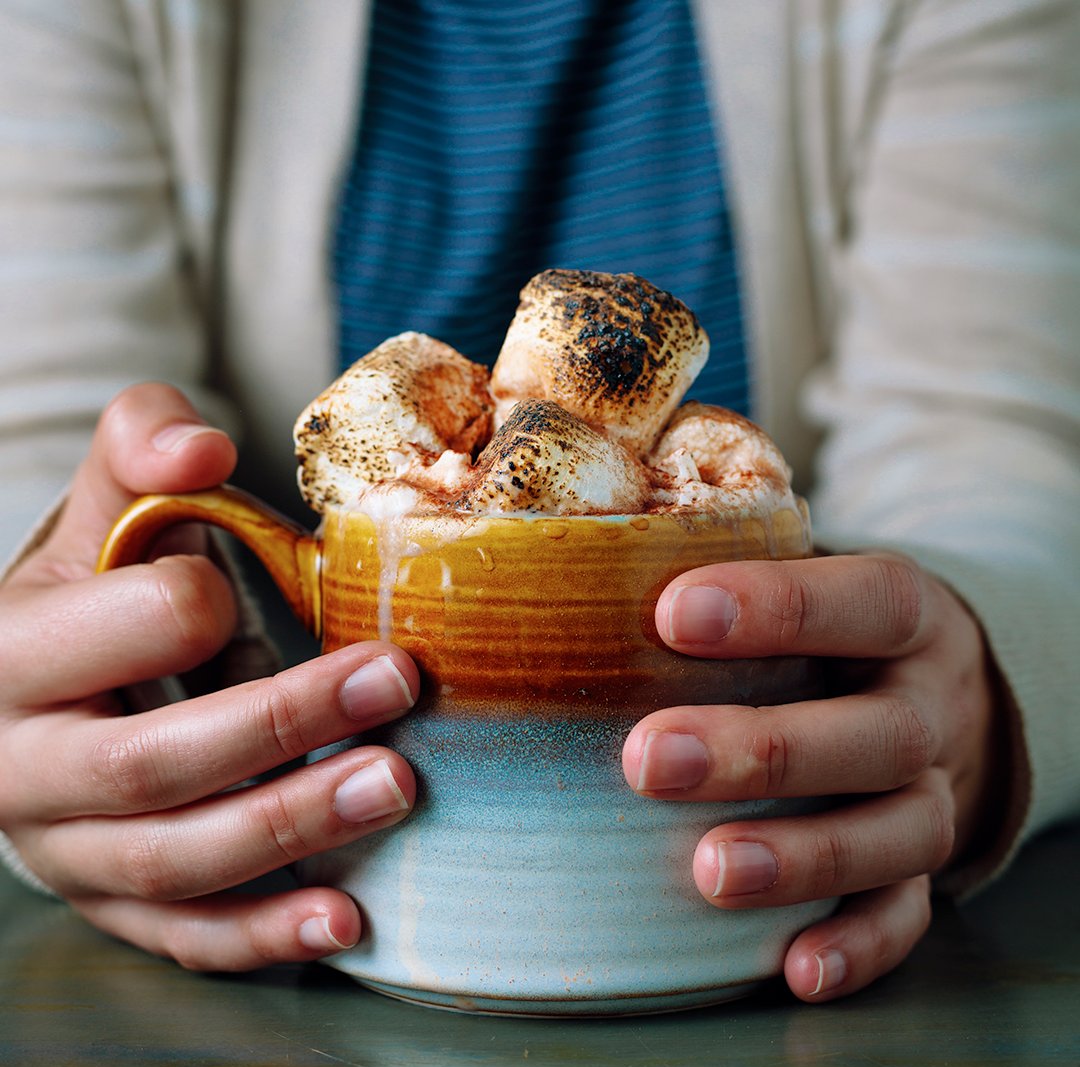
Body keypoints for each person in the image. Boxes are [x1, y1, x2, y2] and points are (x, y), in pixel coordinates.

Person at [1, 0, 1078, 1004]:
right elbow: (41, 435)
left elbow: (992, 437)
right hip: (322, 913)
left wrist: (972, 690)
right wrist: (52, 682)